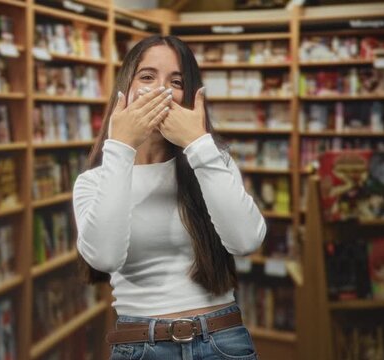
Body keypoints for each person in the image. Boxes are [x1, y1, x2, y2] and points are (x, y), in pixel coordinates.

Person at [73, 35, 267, 360]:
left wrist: (198, 143)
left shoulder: (211, 160)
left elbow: (246, 241)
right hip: (140, 345)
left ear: (188, 96)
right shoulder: (93, 182)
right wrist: (121, 146)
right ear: (125, 88)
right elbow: (105, 258)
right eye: (147, 77)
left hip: (222, 340)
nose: (161, 90)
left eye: (175, 81)